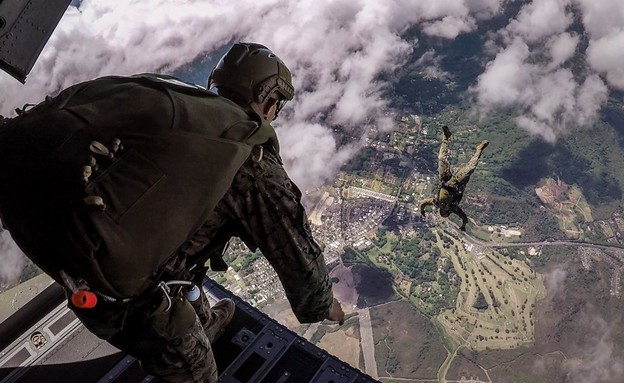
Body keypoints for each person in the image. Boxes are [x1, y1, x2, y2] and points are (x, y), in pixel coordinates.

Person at [0, 42, 344, 382]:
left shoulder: (162, 97)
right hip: (122, 299)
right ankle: (186, 348)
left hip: (56, 245)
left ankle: (202, 325)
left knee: (186, 244)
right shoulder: (245, 154)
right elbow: (295, 251)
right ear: (268, 101)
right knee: (198, 374)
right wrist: (324, 306)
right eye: (276, 104)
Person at [420, 125, 488, 231]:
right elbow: (464, 217)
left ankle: (446, 137)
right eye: (445, 211)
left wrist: (422, 210)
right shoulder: (453, 208)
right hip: (456, 182)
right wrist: (463, 226)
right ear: (448, 212)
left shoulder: (436, 202)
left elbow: (423, 202)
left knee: (441, 158)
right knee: (471, 167)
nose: (443, 208)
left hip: (445, 179)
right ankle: (479, 150)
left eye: (442, 210)